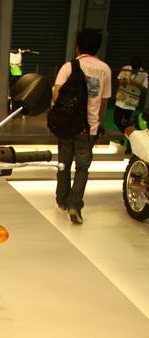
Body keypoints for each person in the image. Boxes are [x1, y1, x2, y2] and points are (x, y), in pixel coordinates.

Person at [52, 28, 111, 224]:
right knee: (82, 168)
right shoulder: (105, 70)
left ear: (78, 46)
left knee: (63, 165)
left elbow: (56, 94)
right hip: (88, 128)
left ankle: (62, 200)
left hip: (67, 126)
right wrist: (96, 122)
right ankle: (75, 205)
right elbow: (103, 102)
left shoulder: (69, 67)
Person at [114, 56, 148, 136]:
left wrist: (138, 84)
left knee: (127, 123)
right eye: (133, 68)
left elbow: (145, 90)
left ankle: (126, 139)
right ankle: (127, 135)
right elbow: (119, 79)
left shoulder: (144, 75)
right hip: (120, 99)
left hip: (131, 103)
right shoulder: (125, 68)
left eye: (136, 69)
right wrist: (123, 82)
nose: (133, 70)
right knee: (116, 121)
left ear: (139, 67)